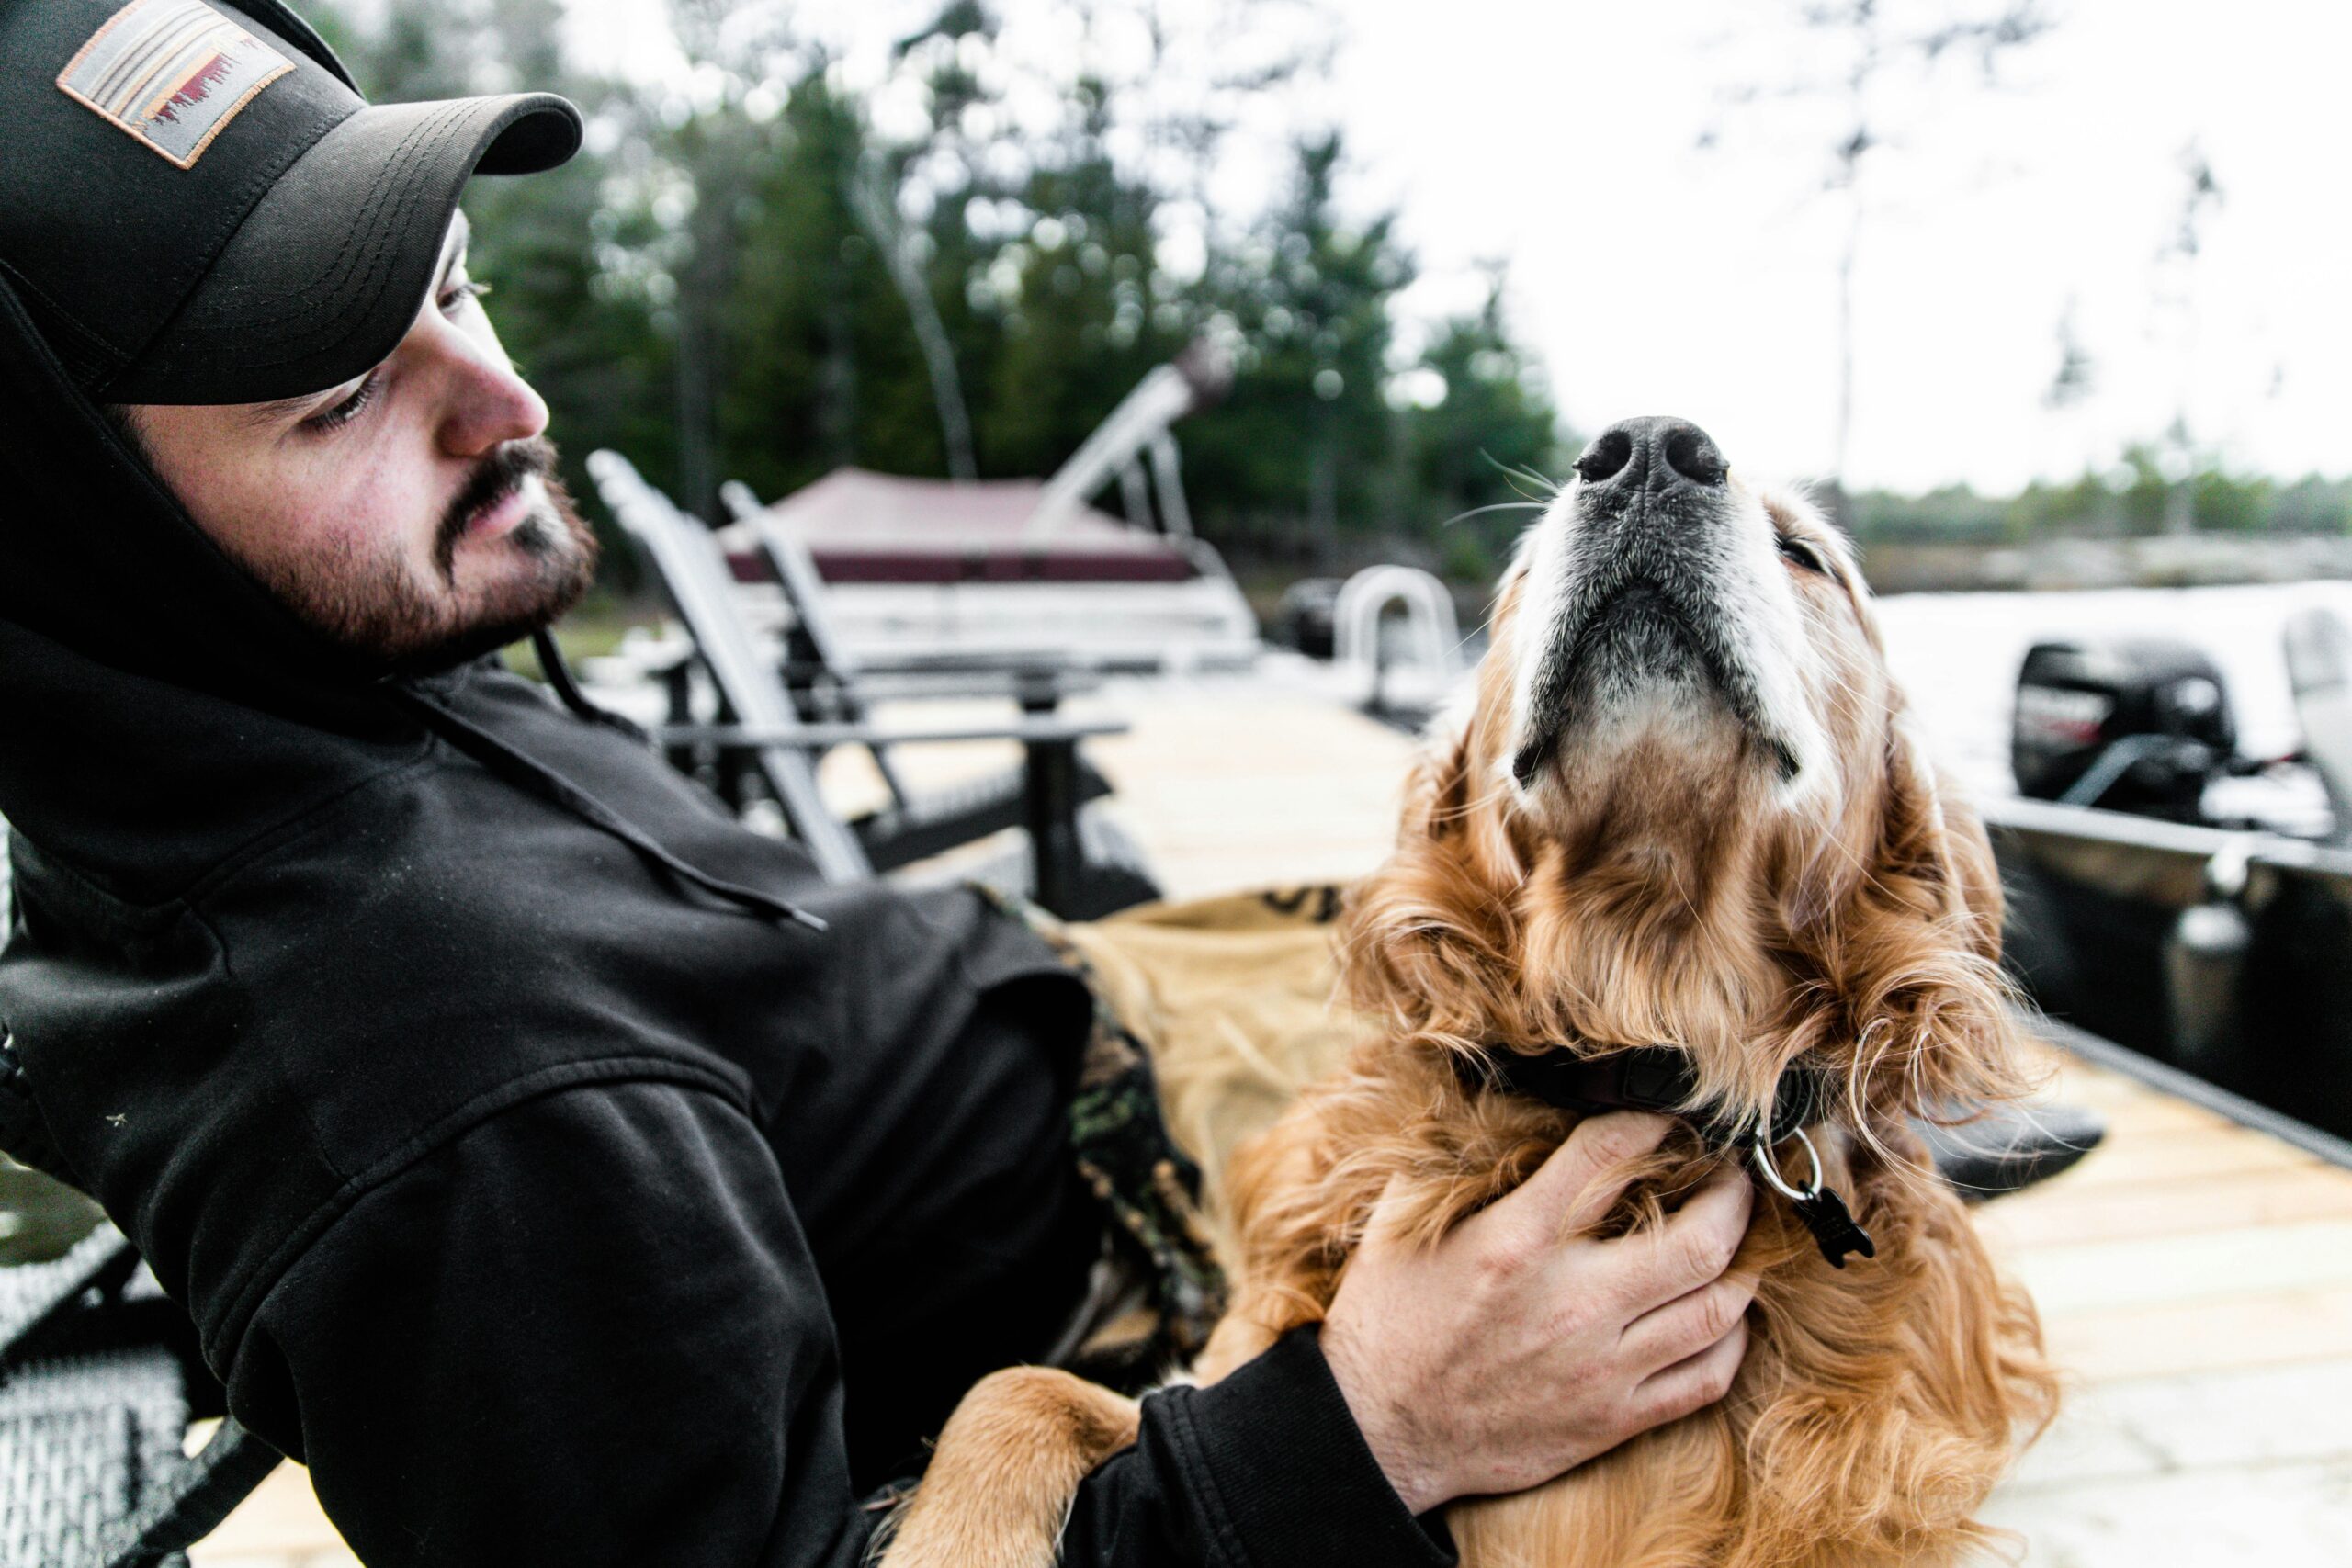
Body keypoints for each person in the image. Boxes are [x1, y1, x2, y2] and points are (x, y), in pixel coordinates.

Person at [0, 4, 1758, 1563]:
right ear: (80, 551)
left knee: (1761, 1007)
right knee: (1733, 1136)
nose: (511, 401)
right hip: (1121, 1251)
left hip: (1088, 1007)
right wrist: (1383, 1425)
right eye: (344, 392)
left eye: (457, 286)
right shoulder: (444, 1111)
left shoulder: (294, 670)